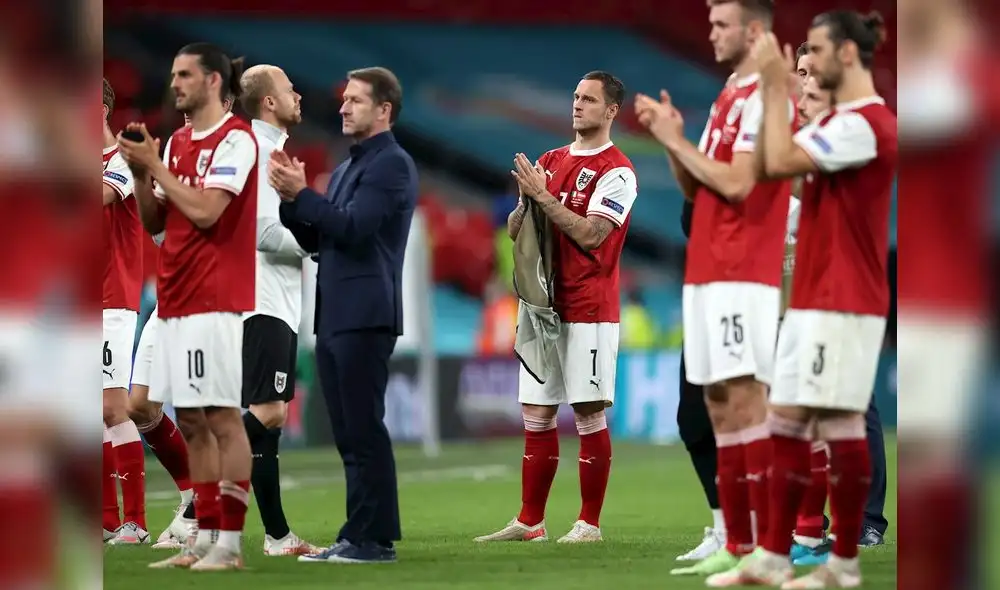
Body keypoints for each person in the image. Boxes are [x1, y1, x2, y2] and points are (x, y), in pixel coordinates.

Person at [714, 11, 897, 587]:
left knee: (838, 423)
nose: (806, 64)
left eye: (814, 50)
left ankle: (841, 560)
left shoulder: (863, 123)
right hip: (815, 294)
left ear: (846, 55)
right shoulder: (841, 122)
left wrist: (770, 86)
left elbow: (775, 164)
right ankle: (779, 554)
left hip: (843, 297)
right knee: (791, 421)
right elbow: (782, 178)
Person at [634, 0, 793, 577]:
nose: (711, 33)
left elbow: (737, 183)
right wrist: (674, 137)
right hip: (705, 266)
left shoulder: (762, 99)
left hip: (743, 266)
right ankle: (737, 540)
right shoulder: (729, 95)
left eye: (721, 24)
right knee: (719, 407)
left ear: (754, 30)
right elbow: (698, 187)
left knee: (748, 400)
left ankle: (770, 546)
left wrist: (679, 146)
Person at [475, 70, 637, 544]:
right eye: (575, 97)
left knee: (587, 411)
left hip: (589, 306)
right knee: (537, 412)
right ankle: (530, 522)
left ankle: (589, 523)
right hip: (542, 306)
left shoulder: (618, 170)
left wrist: (543, 195)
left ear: (610, 111)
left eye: (589, 99)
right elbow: (513, 229)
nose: (577, 105)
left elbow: (591, 234)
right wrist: (527, 201)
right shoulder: (551, 159)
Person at [268, 66, 417, 564]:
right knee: (349, 432)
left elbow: (353, 229)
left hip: (364, 312)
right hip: (335, 310)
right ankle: (358, 531)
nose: (343, 107)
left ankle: (374, 540)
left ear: (383, 110)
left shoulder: (391, 164)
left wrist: (304, 195)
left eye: (355, 100)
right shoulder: (351, 164)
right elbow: (321, 238)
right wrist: (294, 202)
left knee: (363, 427)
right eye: (344, 99)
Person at [118, 42, 257, 571]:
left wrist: (157, 165)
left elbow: (206, 212)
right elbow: (158, 222)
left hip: (214, 296)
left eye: (185, 74)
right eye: (173, 73)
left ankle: (231, 545)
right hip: (173, 295)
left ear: (214, 82)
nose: (174, 83)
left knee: (222, 417)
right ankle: (202, 541)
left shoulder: (236, 141)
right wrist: (140, 174)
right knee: (192, 420)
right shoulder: (176, 142)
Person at [237, 63, 320, 557]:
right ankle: (193, 510)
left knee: (271, 420)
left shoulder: (264, 150)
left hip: (272, 301)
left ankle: (277, 537)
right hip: (263, 298)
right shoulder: (264, 153)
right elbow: (265, 234)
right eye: (290, 89)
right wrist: (319, 239)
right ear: (269, 101)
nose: (298, 96)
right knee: (267, 412)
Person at [101, 77, 148, 545]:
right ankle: (106, 520)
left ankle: (134, 521)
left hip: (113, 298)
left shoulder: (120, 159)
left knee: (113, 408)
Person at [674, 197, 725, 563]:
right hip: (705, 295)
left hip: (752, 292)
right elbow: (689, 221)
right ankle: (726, 530)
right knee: (693, 422)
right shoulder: (712, 149)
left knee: (753, 416)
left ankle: (801, 525)